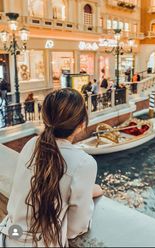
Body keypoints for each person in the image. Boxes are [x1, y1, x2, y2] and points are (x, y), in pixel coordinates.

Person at [0, 88, 103, 247]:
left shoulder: (31, 144)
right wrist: (85, 193)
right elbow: (75, 228)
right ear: (82, 124)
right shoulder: (84, 163)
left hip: (9, 238)